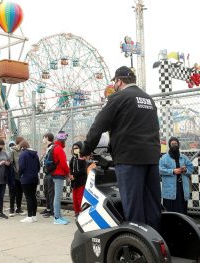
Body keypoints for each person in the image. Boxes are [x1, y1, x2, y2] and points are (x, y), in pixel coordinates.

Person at [80, 66, 162, 230]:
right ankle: (156, 241)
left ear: (119, 81)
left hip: (129, 158)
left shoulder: (118, 97)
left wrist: (86, 150)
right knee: (152, 204)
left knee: (133, 205)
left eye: (115, 82)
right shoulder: (149, 99)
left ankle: (137, 246)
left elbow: (98, 126)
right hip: (152, 158)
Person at [159, 137, 194, 215]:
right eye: (172, 144)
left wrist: (185, 170)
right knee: (170, 211)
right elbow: (160, 170)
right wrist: (173, 171)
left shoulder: (184, 157)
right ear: (169, 145)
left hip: (182, 188)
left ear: (178, 145)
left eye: (176, 144)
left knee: (182, 210)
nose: (174, 145)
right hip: (170, 189)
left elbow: (191, 168)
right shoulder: (164, 158)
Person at [18, 140, 40, 223]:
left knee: (28, 197)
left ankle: (29, 216)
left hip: (26, 179)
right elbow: (38, 167)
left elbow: (22, 167)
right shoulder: (35, 154)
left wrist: (19, 175)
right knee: (33, 196)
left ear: (22, 147)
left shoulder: (23, 154)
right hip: (34, 178)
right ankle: (34, 216)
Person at [51, 131, 71, 225]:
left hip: (55, 174)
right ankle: (56, 218)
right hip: (58, 174)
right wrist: (68, 174)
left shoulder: (55, 147)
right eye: (65, 140)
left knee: (57, 197)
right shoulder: (59, 149)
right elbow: (63, 164)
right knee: (58, 197)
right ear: (63, 140)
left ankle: (59, 216)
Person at [69, 141, 87, 218]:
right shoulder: (73, 158)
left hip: (81, 181)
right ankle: (76, 212)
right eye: (74, 149)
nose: (75, 150)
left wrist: (75, 175)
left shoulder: (83, 158)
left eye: (77, 148)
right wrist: (70, 175)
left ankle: (82, 213)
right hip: (74, 182)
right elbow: (70, 168)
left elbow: (83, 170)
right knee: (75, 198)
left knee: (80, 198)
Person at [8, 137, 26, 217]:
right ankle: (11, 208)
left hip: (22, 175)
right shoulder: (13, 151)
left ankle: (18, 208)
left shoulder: (24, 151)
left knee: (20, 192)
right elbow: (10, 163)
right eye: (22, 142)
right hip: (14, 175)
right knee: (13, 192)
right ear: (19, 142)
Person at [40, 133, 55, 218]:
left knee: (51, 192)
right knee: (46, 191)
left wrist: (49, 169)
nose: (43, 140)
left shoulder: (52, 148)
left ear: (47, 138)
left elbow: (52, 162)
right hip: (47, 172)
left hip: (51, 173)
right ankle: (48, 208)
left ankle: (52, 211)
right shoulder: (48, 148)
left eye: (44, 138)